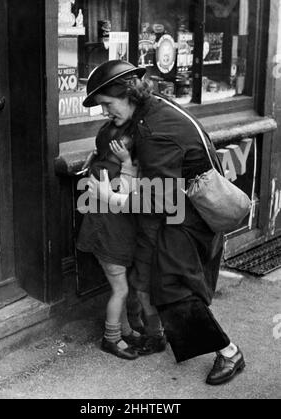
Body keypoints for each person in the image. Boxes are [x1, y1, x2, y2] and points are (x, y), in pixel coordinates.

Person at [82, 60, 246, 385]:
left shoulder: (153, 130)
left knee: (172, 286)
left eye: (107, 104)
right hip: (186, 211)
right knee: (169, 282)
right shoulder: (153, 109)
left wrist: (109, 197)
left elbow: (161, 199)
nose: (105, 113)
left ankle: (229, 353)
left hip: (187, 216)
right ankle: (163, 337)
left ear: (126, 94)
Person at [76, 126, 142, 361]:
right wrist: (127, 163)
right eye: (124, 144)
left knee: (122, 288)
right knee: (120, 289)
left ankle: (124, 330)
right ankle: (111, 337)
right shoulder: (106, 171)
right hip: (106, 240)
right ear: (113, 148)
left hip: (113, 238)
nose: (130, 145)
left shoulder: (103, 166)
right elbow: (125, 196)